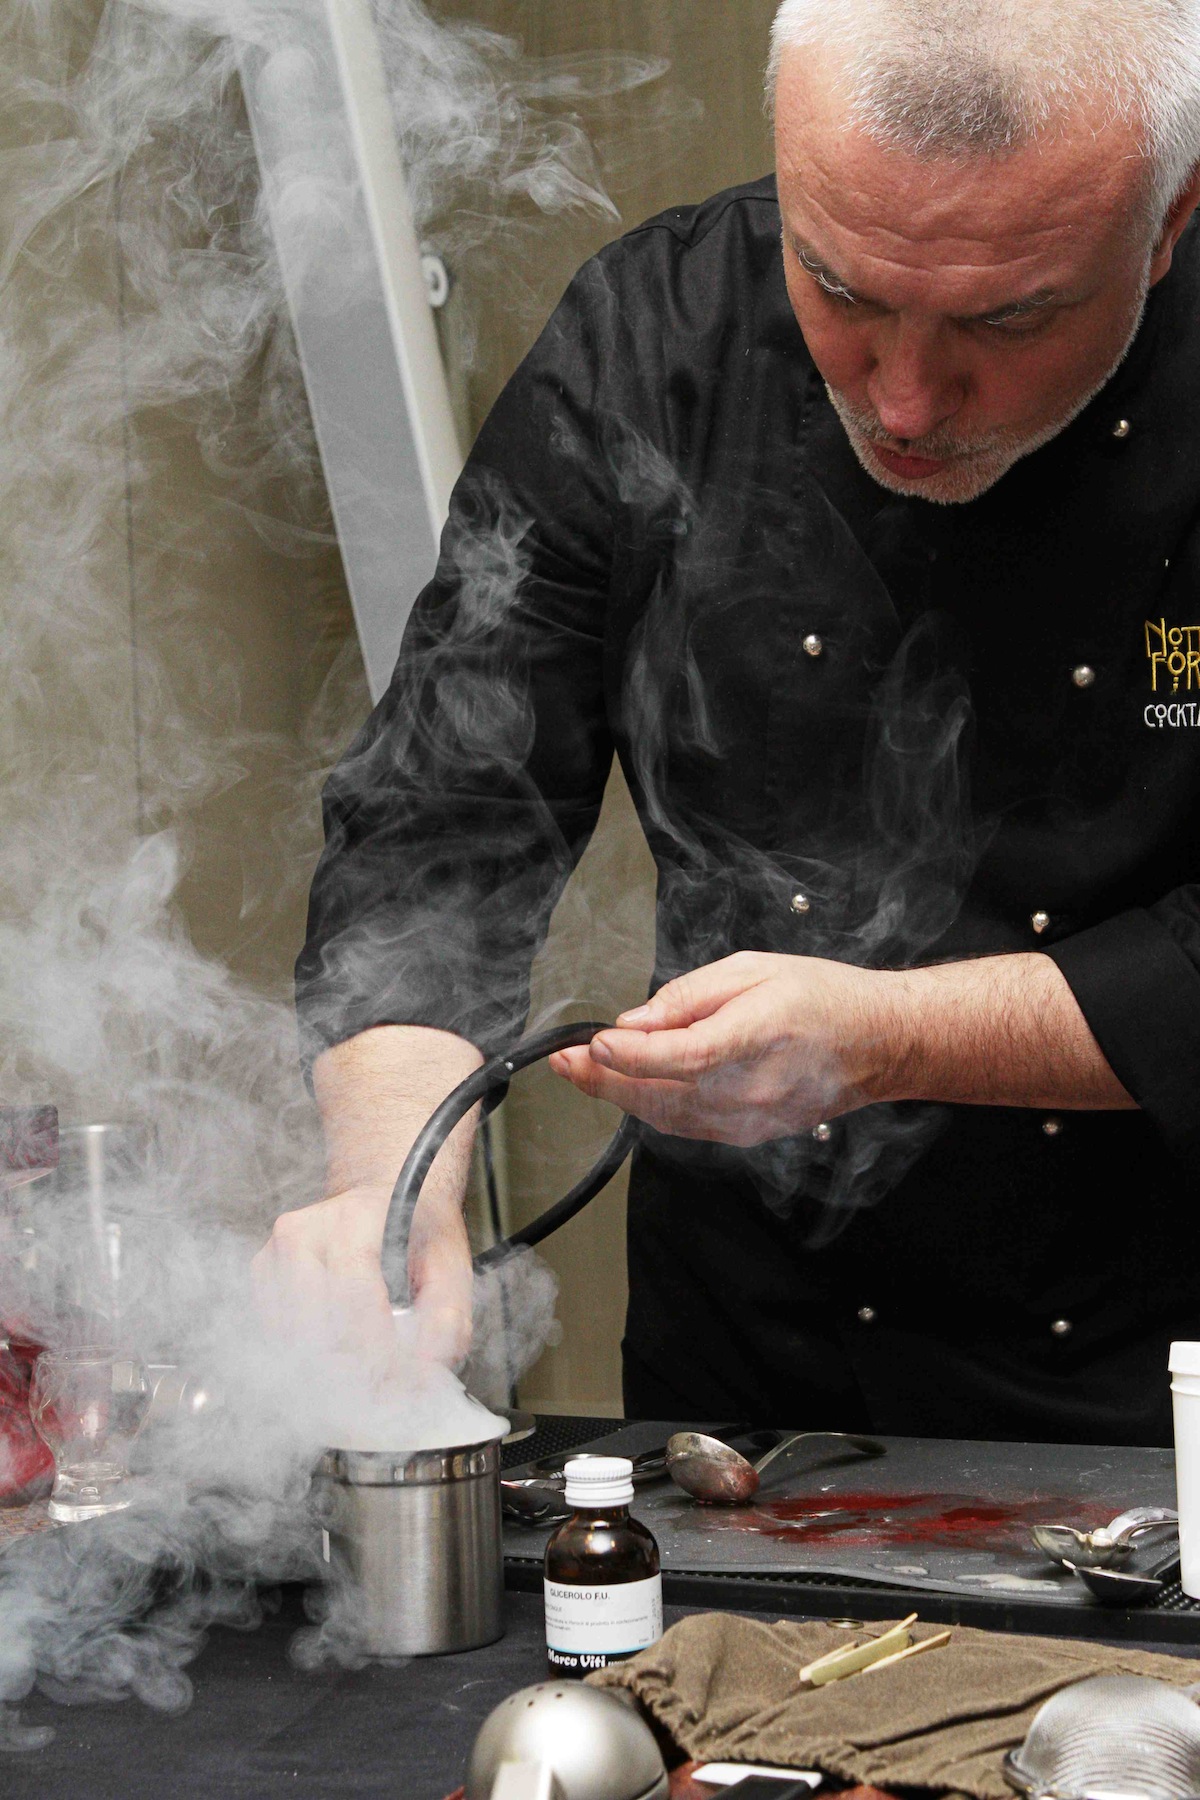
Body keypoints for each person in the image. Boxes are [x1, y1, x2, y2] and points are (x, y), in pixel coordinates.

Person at [257, 0, 1200, 1444]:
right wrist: (392, 1186)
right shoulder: (657, 334)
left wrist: (894, 1034)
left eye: (1008, 319)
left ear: (1169, 220)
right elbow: (445, 812)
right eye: (840, 286)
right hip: (749, 1377)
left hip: (1167, 1371)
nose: (905, 401)